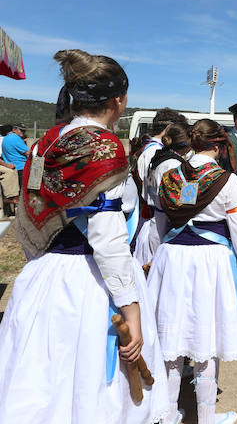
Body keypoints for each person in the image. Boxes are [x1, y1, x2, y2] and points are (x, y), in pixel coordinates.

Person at [0, 49, 168, 423]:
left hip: (44, 277)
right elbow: (107, 241)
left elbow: (32, 212)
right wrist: (131, 310)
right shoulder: (104, 148)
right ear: (119, 100)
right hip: (90, 287)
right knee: (92, 394)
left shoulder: (47, 142)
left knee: (46, 390)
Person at [148, 119, 237, 424]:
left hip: (172, 256)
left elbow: (158, 225)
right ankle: (206, 417)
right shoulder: (227, 180)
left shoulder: (169, 175)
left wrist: (156, 260)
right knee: (207, 338)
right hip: (211, 261)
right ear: (219, 146)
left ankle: (167, 414)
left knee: (171, 338)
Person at [133, 108, 189, 266]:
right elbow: (184, 200)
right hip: (159, 222)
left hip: (153, 220)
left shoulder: (157, 153)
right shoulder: (167, 159)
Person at [1, 123, 28, 188]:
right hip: (20, 167)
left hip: (11, 167)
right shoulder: (16, 138)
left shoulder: (5, 138)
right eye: (21, 130)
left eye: (24, 131)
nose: (23, 132)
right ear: (14, 130)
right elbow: (28, 152)